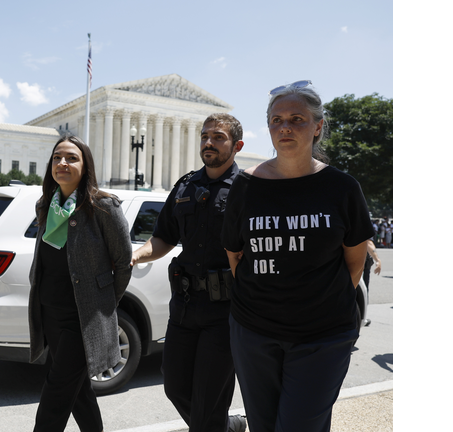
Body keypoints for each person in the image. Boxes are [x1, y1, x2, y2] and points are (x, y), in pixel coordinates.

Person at [222, 81, 375, 432]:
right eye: (276, 120)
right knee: (263, 426)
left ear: (318, 126)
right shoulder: (245, 186)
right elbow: (235, 256)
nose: (284, 127)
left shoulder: (342, 188)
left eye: (297, 118)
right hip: (253, 332)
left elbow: (354, 264)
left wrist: (313, 302)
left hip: (323, 336)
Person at [130, 113, 247, 432]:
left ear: (236, 145)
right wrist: (135, 256)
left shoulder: (248, 189)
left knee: (208, 399)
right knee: (175, 387)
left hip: (225, 311)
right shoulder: (185, 185)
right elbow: (163, 237)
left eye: (218, 137)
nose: (209, 142)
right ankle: (229, 427)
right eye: (205, 135)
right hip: (183, 307)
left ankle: (218, 425)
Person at [28, 135, 132, 432]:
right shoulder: (46, 205)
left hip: (83, 317)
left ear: (85, 166)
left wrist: (103, 304)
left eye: (72, 158)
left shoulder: (103, 207)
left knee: (56, 394)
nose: (62, 163)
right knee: (78, 392)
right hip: (50, 313)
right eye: (57, 157)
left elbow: (123, 263)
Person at [362, 239, 382, 326]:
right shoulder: (361, 224)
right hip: (361, 263)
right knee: (363, 291)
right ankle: (362, 318)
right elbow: (368, 242)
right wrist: (377, 260)